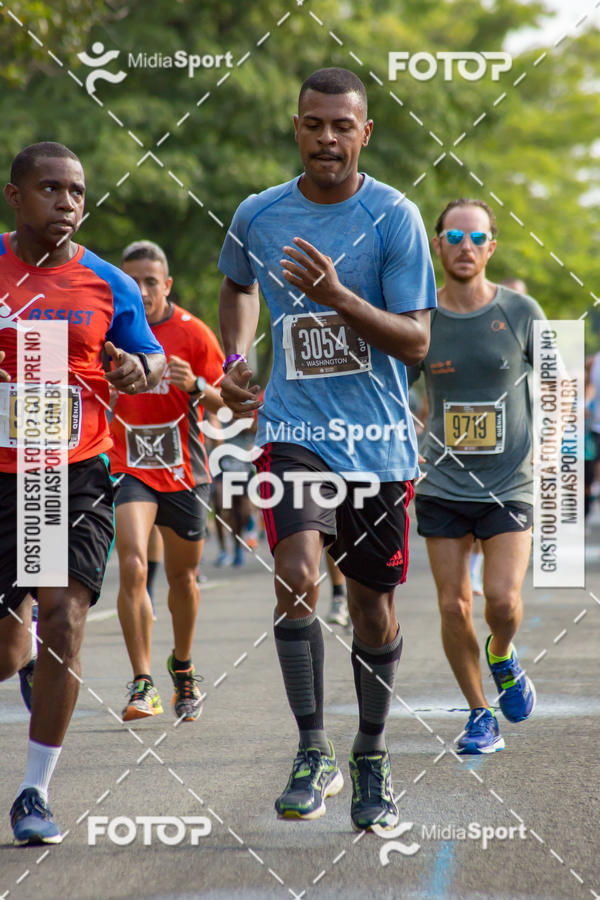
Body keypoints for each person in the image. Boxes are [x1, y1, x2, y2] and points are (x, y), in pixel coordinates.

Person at [218, 68, 436, 830]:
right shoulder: (258, 214)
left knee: (373, 606)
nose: (328, 138)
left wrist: (340, 297)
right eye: (314, 124)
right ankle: (312, 747)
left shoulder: (395, 217)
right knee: (295, 571)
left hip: (377, 441)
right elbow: (237, 282)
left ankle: (369, 752)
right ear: (297, 127)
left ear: (364, 133)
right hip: (294, 431)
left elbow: (416, 341)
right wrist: (235, 355)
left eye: (343, 126)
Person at [0, 142, 165, 845]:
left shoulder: (108, 283)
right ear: (15, 196)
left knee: (66, 614)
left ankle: (35, 791)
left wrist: (137, 370)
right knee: (7, 650)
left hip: (73, 470)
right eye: (50, 189)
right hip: (3, 473)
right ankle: (22, 656)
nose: (66, 202)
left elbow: (153, 359)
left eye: (77, 192)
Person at [409, 198, 544, 754]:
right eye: (454, 236)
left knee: (502, 602)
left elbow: (558, 385)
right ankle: (478, 713)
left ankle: (502, 655)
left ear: (491, 247)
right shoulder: (420, 318)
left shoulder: (522, 311)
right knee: (452, 605)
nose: (465, 247)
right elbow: (388, 390)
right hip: (442, 482)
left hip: (509, 481)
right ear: (437, 245)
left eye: (476, 237)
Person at [109, 240, 224, 723]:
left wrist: (195, 385)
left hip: (184, 470)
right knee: (133, 563)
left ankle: (183, 666)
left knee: (183, 579)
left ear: (167, 285)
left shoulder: (194, 333)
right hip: (128, 467)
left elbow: (230, 401)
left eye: (150, 282)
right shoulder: (109, 331)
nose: (141, 290)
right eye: (131, 282)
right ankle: (143, 683)